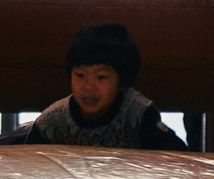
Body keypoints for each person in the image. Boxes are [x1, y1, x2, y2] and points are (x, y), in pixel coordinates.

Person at [25, 23, 188, 151]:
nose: (88, 87)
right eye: (80, 75)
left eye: (101, 77)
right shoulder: (52, 122)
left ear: (123, 81)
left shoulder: (138, 114)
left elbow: (176, 154)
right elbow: (28, 163)